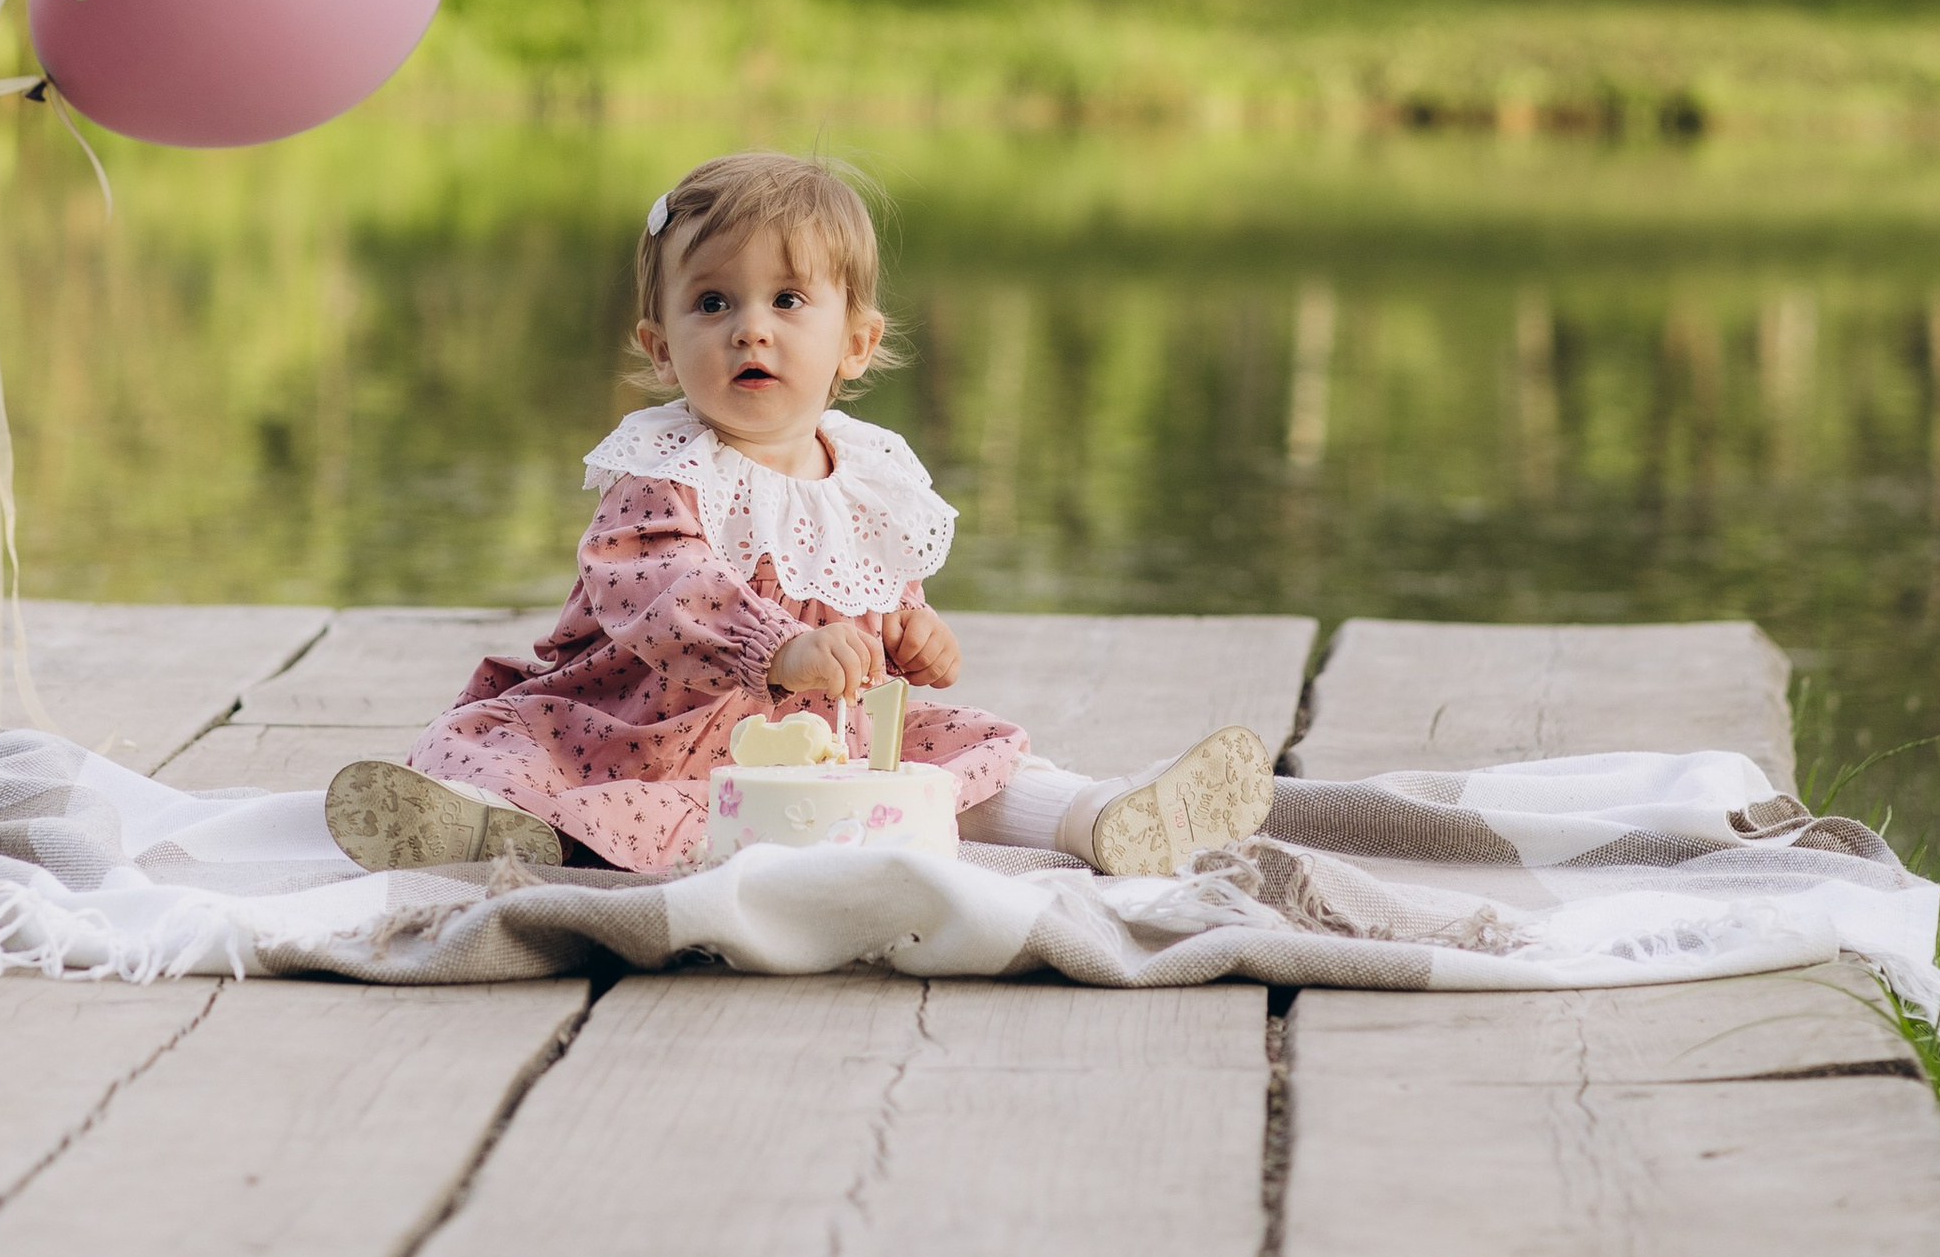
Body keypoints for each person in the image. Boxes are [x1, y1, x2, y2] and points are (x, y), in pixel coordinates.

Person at [323, 150, 1276, 879]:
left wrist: (908, 631)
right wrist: (773, 646)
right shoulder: (666, 467)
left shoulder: (865, 473)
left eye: (787, 299)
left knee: (951, 756)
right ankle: (490, 835)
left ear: (855, 343)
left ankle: (1101, 820)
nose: (750, 327)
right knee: (522, 759)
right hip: (643, 728)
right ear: (661, 349)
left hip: (818, 739)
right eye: (712, 302)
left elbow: (870, 587)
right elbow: (661, 593)